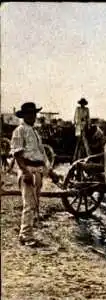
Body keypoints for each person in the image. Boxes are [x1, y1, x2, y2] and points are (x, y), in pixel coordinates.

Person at [10, 102, 59, 246]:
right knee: (29, 204)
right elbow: (18, 154)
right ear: (24, 115)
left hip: (37, 170)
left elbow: (42, 155)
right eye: (29, 114)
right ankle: (25, 235)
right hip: (28, 170)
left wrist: (50, 172)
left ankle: (27, 233)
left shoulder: (35, 132)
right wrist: (25, 172)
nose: (32, 116)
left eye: (34, 113)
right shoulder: (20, 130)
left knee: (35, 203)